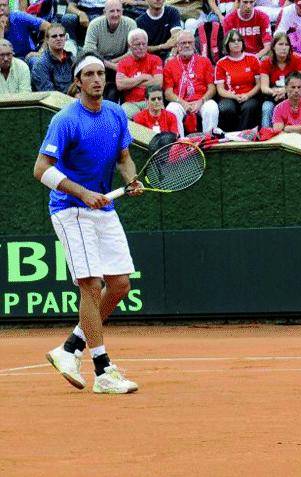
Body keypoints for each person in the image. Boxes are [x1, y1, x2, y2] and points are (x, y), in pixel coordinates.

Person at [33, 52, 141, 395]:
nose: (97, 79)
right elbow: (41, 170)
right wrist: (83, 194)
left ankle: (69, 348)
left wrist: (132, 178)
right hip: (69, 209)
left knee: (120, 284)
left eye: (100, 74)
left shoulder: (115, 114)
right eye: (89, 74)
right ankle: (103, 370)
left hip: (103, 209)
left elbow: (124, 158)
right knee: (91, 286)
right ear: (78, 81)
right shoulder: (65, 119)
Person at [164, 30, 219, 135]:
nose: (187, 45)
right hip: (180, 101)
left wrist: (201, 101)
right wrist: (183, 103)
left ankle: (209, 140)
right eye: (183, 43)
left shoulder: (205, 61)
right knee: (171, 109)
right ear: (177, 46)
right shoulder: (170, 64)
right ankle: (180, 143)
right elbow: (168, 93)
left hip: (201, 101)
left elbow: (212, 88)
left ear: (194, 45)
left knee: (211, 106)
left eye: (190, 42)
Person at [83, 0, 137, 101]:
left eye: (118, 11)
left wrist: (115, 63)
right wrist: (111, 65)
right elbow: (88, 51)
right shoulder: (95, 25)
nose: (116, 14)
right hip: (99, 61)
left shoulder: (130, 24)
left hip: (121, 60)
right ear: (104, 12)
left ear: (122, 12)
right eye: (112, 11)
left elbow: (133, 51)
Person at [216, 29, 262, 132]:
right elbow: (220, 90)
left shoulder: (253, 59)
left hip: (250, 95)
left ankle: (243, 135)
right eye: (233, 41)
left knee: (249, 107)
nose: (236, 43)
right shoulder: (221, 63)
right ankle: (229, 135)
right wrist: (235, 97)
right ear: (227, 44)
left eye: (239, 40)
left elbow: (259, 85)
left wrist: (247, 95)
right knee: (225, 107)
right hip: (229, 96)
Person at [259, 31, 301, 128]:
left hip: (294, 96)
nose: (284, 47)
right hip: (273, 97)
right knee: (266, 108)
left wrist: (285, 91)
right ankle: (266, 135)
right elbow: (264, 87)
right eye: (280, 44)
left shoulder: (298, 60)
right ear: (273, 47)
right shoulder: (266, 62)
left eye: (286, 44)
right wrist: (276, 92)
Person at [116, 28, 163, 118]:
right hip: (131, 103)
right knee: (123, 114)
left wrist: (129, 82)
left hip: (152, 100)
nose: (141, 47)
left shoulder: (155, 60)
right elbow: (120, 85)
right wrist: (143, 77)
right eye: (137, 44)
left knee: (159, 116)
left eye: (144, 44)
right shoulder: (123, 63)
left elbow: (158, 83)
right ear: (130, 46)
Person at [31, 22, 74, 93]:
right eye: (54, 36)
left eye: (61, 35)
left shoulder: (72, 59)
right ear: (47, 40)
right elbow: (49, 93)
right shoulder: (40, 65)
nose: (58, 38)